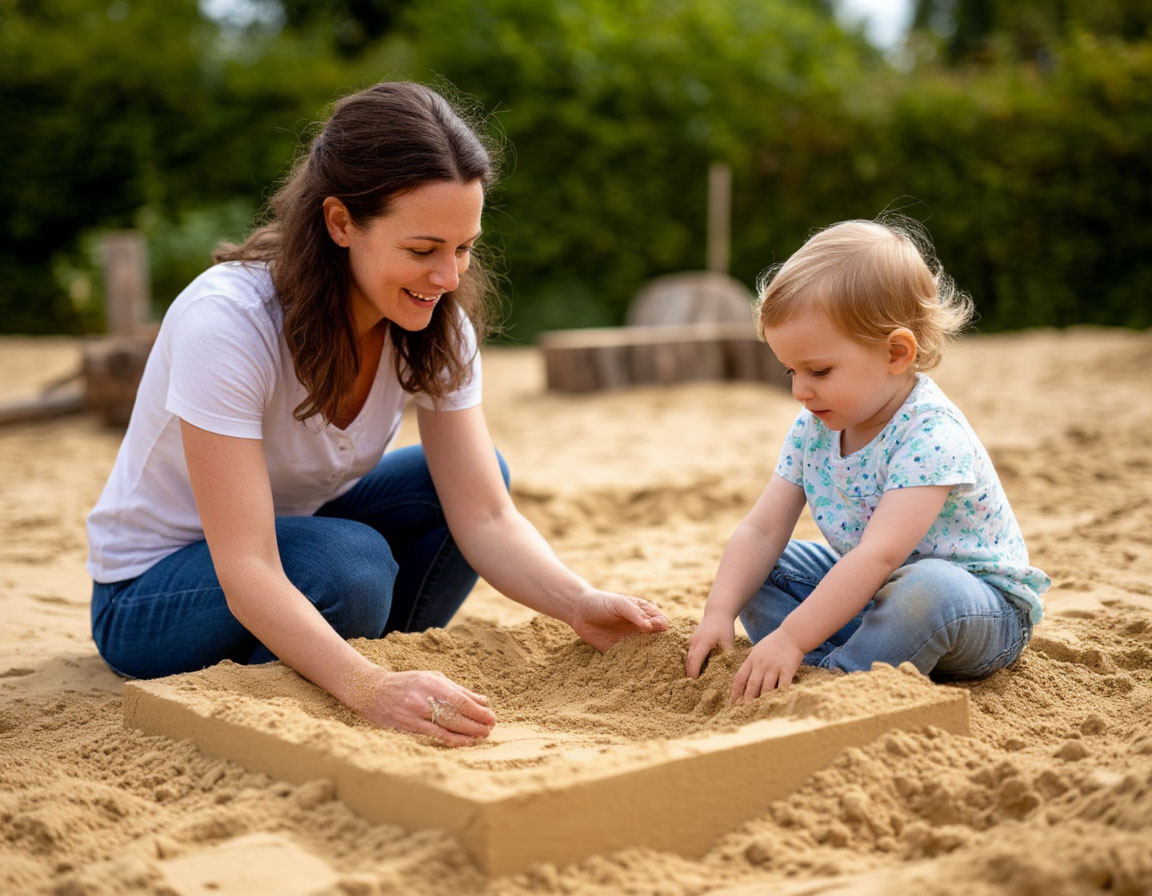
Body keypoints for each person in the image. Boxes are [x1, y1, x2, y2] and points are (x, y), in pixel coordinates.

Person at [87, 81, 668, 746]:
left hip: (293, 548)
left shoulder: (434, 323)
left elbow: (483, 515)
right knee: (350, 567)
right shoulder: (227, 322)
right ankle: (340, 668)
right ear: (340, 223)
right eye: (423, 250)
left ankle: (360, 656)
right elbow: (246, 567)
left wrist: (578, 604)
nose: (448, 276)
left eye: (464, 247)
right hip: (151, 596)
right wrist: (369, 689)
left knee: (452, 488)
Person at [684, 218, 1048, 701]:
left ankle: (845, 682)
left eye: (819, 370)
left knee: (928, 587)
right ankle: (839, 661)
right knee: (765, 566)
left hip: (976, 611)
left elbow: (880, 555)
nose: (799, 390)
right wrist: (717, 613)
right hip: (873, 595)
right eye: (790, 370)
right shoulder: (815, 427)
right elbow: (762, 530)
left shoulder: (931, 434)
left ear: (896, 353)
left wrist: (791, 636)